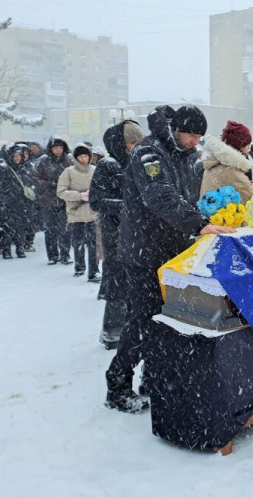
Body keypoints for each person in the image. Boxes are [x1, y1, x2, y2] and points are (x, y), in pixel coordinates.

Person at [105, 105, 235, 413]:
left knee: (166, 322)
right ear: (176, 129)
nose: (195, 142)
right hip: (144, 252)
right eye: (191, 135)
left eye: (200, 137)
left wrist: (210, 215)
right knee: (142, 321)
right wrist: (198, 224)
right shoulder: (149, 153)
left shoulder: (186, 155)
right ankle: (117, 385)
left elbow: (186, 198)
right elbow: (159, 195)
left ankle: (153, 379)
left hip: (172, 252)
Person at [90, 120, 145, 349]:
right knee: (117, 283)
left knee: (136, 284)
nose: (136, 146)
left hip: (138, 233)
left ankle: (132, 329)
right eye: (132, 142)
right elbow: (96, 201)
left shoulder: (140, 162)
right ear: (121, 144)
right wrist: (127, 206)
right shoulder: (107, 165)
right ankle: (112, 332)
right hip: (116, 233)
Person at [57, 144, 99, 281]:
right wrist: (79, 196)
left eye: (86, 156)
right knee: (78, 243)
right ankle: (79, 267)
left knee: (94, 245)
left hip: (93, 213)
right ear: (76, 158)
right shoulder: (68, 172)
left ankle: (94, 271)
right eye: (80, 156)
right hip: (76, 215)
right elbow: (61, 192)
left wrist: (95, 195)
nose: (84, 159)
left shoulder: (95, 170)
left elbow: (102, 188)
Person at [34, 137, 73, 265]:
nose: (58, 150)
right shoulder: (43, 161)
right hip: (47, 201)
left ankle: (65, 254)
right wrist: (49, 184)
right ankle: (52, 255)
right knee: (50, 229)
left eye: (60, 148)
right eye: (55, 148)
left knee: (65, 229)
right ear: (50, 149)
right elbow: (35, 178)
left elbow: (75, 178)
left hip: (65, 200)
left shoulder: (69, 161)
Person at [200, 121, 253, 204]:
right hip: (224, 212)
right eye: (247, 146)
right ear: (240, 146)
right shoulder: (230, 170)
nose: (248, 150)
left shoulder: (215, 161)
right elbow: (252, 198)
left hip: (211, 210)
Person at [0, 144, 35, 259]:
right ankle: (6, 248)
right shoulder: (3, 168)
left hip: (22, 203)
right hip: (7, 203)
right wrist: (2, 200)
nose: (17, 158)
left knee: (20, 227)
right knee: (8, 227)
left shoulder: (25, 169)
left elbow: (29, 184)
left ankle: (19, 247)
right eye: (15, 156)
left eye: (19, 156)